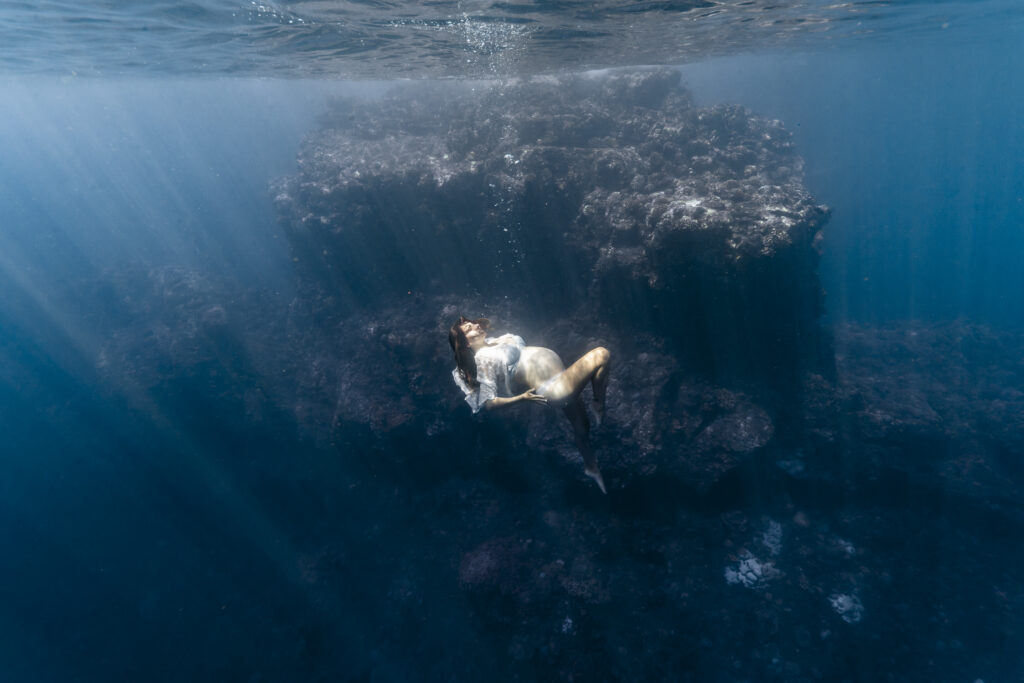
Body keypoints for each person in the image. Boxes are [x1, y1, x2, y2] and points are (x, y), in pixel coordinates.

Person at [449, 316, 611, 493]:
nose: (476, 326)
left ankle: (591, 467)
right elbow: (489, 403)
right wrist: (522, 398)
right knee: (601, 354)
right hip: (555, 389)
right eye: (469, 329)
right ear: (466, 343)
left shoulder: (494, 341)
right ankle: (599, 405)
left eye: (472, 323)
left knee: (582, 429)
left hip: (561, 377)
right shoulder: (483, 359)